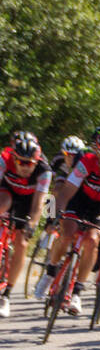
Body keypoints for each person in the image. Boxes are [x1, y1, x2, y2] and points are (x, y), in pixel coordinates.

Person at [37, 130, 100, 316]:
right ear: (98, 153)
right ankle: (50, 272)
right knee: (66, 232)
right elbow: (63, 194)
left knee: (92, 239)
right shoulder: (85, 162)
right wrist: (55, 217)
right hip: (79, 199)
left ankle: (77, 292)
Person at [0, 133, 52, 317]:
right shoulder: (4, 159)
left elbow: (40, 204)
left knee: (22, 244)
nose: (24, 167)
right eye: (20, 162)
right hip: (6, 193)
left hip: (28, 201)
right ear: (14, 156)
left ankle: (6, 295)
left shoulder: (44, 170)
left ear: (36, 161)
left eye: (29, 163)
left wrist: (33, 224)